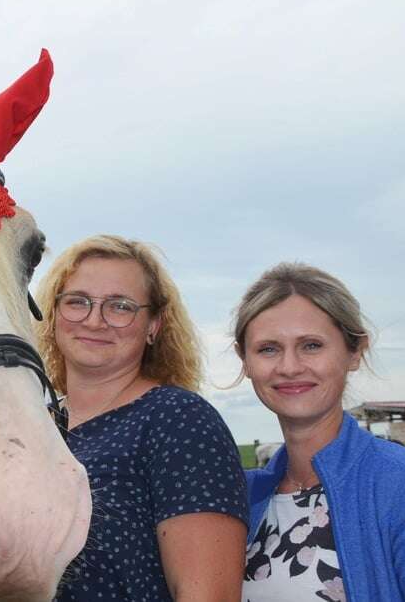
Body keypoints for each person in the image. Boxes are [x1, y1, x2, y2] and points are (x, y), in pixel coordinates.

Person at [35, 235, 247, 600]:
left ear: (154, 325)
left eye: (120, 306)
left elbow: (207, 594)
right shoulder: (33, 427)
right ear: (53, 314)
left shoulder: (178, 420)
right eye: (77, 302)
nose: (95, 320)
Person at [235, 262, 405, 601]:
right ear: (245, 360)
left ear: (354, 352)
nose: (289, 367)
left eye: (311, 345)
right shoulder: (240, 498)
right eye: (268, 348)